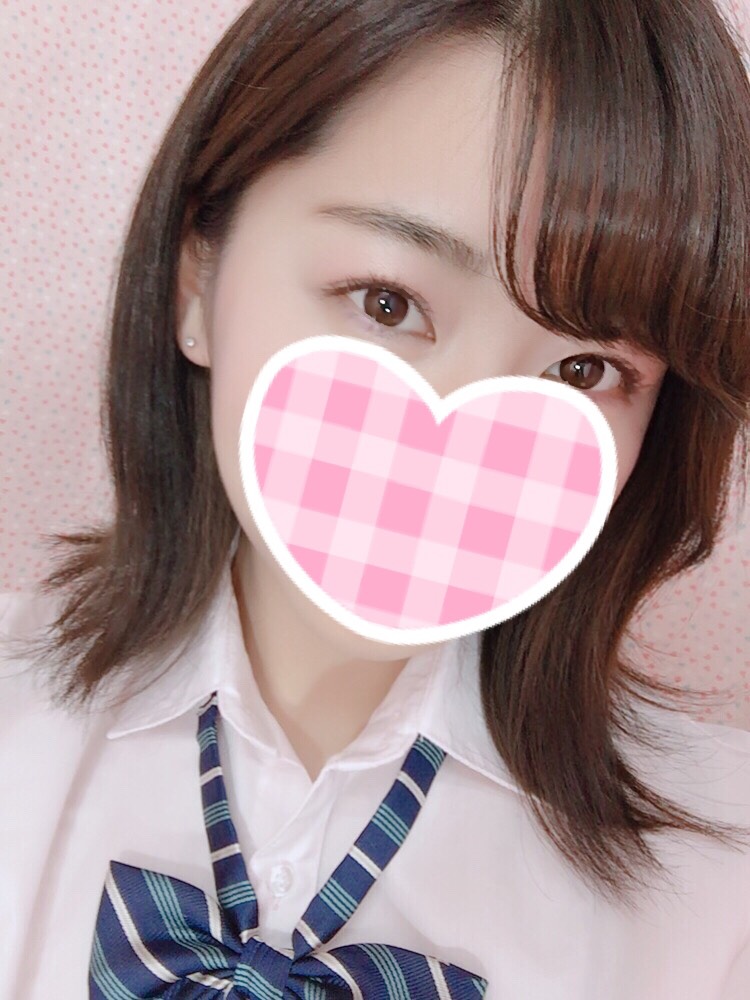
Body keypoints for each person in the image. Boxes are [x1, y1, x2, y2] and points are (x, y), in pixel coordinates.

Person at [2, 0, 750, 996]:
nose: (463, 439)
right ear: (196, 281)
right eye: (387, 303)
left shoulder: (723, 883)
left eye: (582, 370)